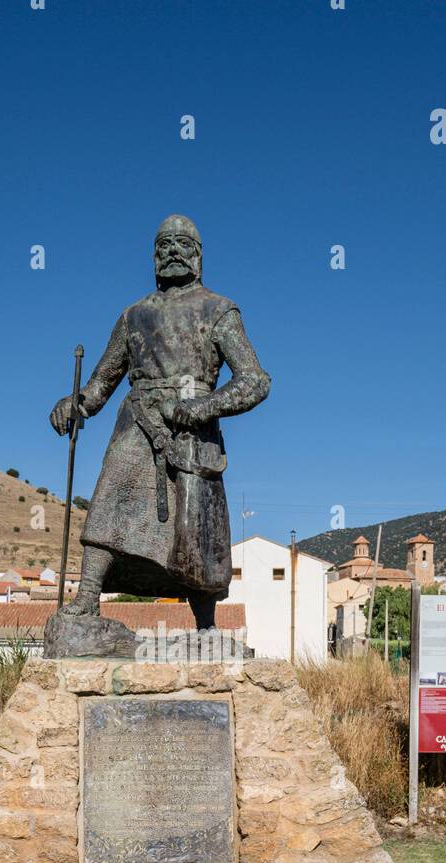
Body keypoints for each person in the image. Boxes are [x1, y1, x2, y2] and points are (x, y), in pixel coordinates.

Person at [48, 214, 270, 631]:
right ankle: (87, 598)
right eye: (163, 244)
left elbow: (255, 381)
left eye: (181, 243)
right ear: (153, 256)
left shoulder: (219, 310)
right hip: (136, 426)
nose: (171, 251)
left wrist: (203, 408)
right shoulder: (133, 316)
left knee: (195, 531)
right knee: (109, 505)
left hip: (191, 437)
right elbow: (101, 384)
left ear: (198, 256)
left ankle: (206, 626)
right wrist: (75, 404)